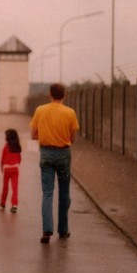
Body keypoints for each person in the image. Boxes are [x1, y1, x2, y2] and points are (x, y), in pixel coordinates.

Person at [29, 83, 79, 244]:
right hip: (64, 154)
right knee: (64, 192)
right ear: (64, 95)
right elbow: (72, 137)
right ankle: (63, 230)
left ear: (50, 94)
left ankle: (47, 229)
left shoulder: (40, 110)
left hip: (46, 153)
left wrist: (45, 136)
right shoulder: (70, 113)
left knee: (47, 192)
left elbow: (33, 134)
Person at [0, 129, 22, 213]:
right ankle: (14, 204)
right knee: (15, 187)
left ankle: (2, 203)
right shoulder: (17, 146)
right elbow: (19, 159)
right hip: (15, 169)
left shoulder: (5, 146)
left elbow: (2, 159)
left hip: (7, 169)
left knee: (5, 187)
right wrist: (16, 165)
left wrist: (2, 168)